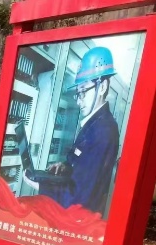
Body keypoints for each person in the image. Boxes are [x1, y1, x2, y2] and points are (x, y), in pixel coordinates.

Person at [23, 45, 120, 216]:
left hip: (77, 217)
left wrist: (39, 184)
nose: (78, 100)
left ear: (102, 87)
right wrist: (65, 167)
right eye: (78, 93)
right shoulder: (95, 123)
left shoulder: (103, 131)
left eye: (83, 92)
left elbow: (80, 197)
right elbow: (84, 169)